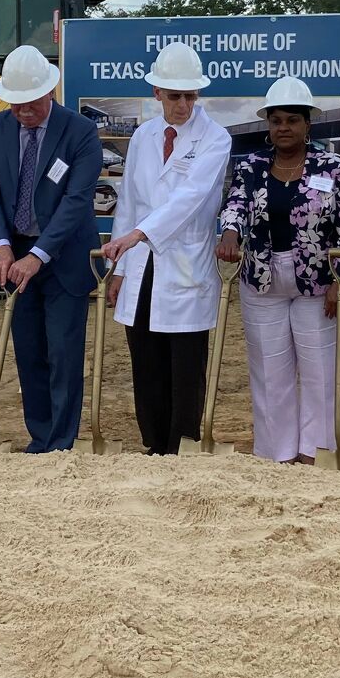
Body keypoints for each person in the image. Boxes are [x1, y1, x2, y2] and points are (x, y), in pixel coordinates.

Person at [101, 43, 234, 455]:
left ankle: (183, 446)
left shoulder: (215, 138)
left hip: (185, 265)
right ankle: (154, 445)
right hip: (141, 266)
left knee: (185, 366)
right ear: (157, 92)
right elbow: (129, 202)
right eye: (174, 96)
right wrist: (120, 267)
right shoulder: (144, 135)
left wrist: (139, 235)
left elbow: (191, 198)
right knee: (146, 360)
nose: (183, 105)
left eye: (190, 96)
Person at [216, 75, 340, 463]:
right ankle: (276, 453)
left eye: (292, 120)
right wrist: (229, 233)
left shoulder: (332, 166)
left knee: (320, 371)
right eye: (276, 120)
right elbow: (236, 206)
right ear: (268, 125)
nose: (284, 128)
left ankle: (317, 450)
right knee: (269, 371)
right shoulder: (252, 167)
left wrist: (339, 283)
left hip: (319, 280)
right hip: (261, 279)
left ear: (308, 123)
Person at [0, 43, 102, 453]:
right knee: (29, 352)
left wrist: (37, 255)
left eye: (30, 103)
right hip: (13, 255)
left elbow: (77, 201)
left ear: (50, 92)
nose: (22, 112)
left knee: (64, 354)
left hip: (61, 257)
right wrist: (1, 245)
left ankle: (61, 443)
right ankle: (40, 436)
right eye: (15, 104)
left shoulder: (79, 132)